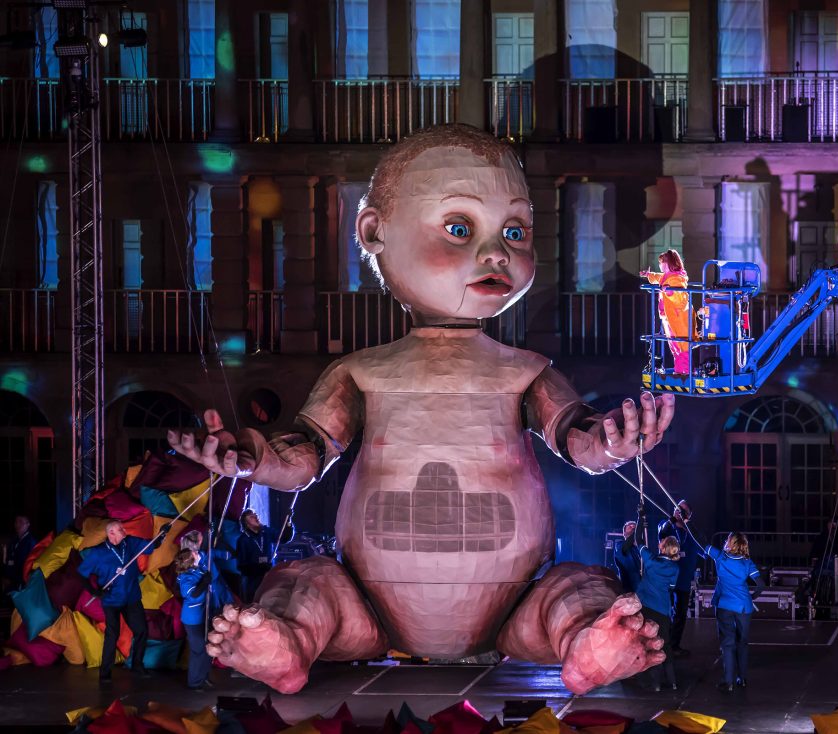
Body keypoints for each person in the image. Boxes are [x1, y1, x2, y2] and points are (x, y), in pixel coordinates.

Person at [165, 124, 676, 696]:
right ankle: (289, 645)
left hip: (516, 606)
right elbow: (305, 454)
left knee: (578, 588)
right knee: (306, 584)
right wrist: (252, 457)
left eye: (515, 230)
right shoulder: (359, 372)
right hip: (367, 608)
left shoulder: (525, 370)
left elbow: (576, 437)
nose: (494, 253)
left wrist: (611, 441)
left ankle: (586, 644)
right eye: (458, 228)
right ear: (374, 232)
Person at [78, 519, 170, 683]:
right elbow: (82, 574)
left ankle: (137, 665)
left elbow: (152, 546)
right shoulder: (98, 553)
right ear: (111, 533)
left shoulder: (130, 543)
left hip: (132, 598)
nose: (124, 530)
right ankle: (105, 673)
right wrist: (94, 591)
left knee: (141, 630)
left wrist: (162, 535)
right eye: (120, 529)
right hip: (111, 601)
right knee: (112, 635)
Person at [703, 532, 761, 691]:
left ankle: (728, 681)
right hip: (744, 606)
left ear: (731, 543)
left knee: (728, 644)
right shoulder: (747, 562)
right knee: (742, 643)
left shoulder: (721, 557)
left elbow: (700, 541)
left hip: (725, 606)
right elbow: (761, 585)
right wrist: (752, 597)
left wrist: (687, 522)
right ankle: (742, 679)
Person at [631, 517, 679, 692]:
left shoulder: (651, 561)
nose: (659, 542)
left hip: (648, 608)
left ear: (664, 547)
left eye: (662, 542)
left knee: (650, 644)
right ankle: (672, 681)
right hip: (663, 610)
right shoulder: (675, 568)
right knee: (665, 644)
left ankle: (655, 683)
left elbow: (638, 539)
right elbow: (671, 588)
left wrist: (640, 518)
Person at [641, 249, 693, 376]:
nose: (661, 265)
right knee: (674, 346)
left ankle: (683, 372)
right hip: (668, 317)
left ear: (671, 262)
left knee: (682, 345)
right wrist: (648, 275)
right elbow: (658, 277)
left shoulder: (678, 278)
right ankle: (679, 371)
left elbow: (680, 297)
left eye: (663, 262)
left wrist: (669, 291)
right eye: (660, 262)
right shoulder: (667, 276)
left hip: (678, 317)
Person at [657, 500, 698, 656]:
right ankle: (662, 644)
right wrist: (673, 519)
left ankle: (674, 646)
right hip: (667, 579)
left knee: (680, 614)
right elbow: (661, 532)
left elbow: (701, 543)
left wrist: (687, 524)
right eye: (677, 508)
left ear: (688, 515)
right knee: (664, 612)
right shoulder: (667, 526)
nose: (678, 511)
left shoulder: (690, 532)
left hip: (683, 579)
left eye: (682, 510)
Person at [175, 549, 215, 690]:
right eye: (195, 554)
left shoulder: (198, 568)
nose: (198, 553)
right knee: (198, 650)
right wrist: (204, 583)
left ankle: (204, 676)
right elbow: (192, 595)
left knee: (208, 648)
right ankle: (194, 682)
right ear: (190, 561)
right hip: (193, 619)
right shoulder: (185, 577)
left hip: (204, 614)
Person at [179, 529, 235, 611]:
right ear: (197, 545)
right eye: (202, 539)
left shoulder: (208, 553)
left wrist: (220, 542)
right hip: (206, 595)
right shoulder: (186, 568)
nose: (206, 540)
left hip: (219, 587)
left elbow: (229, 555)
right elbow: (191, 593)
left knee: (229, 610)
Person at [236, 510, 274, 603]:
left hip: (268, 576)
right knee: (253, 602)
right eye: (251, 517)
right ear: (247, 524)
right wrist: (259, 568)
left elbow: (284, 537)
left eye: (255, 515)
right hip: (252, 581)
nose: (255, 517)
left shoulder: (266, 533)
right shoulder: (243, 539)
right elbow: (242, 566)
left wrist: (288, 522)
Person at [4, 516, 36, 591]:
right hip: (11, 580)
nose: (17, 525)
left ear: (28, 524)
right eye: (16, 522)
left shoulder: (31, 542)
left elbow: (29, 565)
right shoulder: (14, 541)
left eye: (21, 522)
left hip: (21, 582)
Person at [613, 520, 642, 593]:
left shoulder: (642, 549)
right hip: (629, 591)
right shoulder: (619, 545)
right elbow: (624, 548)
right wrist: (638, 529)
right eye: (630, 527)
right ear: (624, 533)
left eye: (635, 527)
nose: (633, 528)